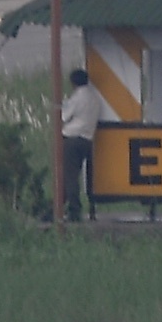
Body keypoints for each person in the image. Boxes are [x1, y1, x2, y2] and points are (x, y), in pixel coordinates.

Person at [59, 66, 100, 221]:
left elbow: (63, 116)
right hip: (88, 140)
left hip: (72, 139)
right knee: (89, 176)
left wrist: (63, 104)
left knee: (70, 176)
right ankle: (88, 206)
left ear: (73, 83)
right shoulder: (94, 98)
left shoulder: (76, 98)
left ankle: (74, 210)